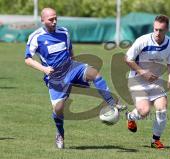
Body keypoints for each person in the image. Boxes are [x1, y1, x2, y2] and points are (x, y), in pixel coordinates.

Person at [24, 7, 125, 149]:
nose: (54, 21)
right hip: (55, 77)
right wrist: (44, 69)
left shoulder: (64, 32)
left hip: (71, 67)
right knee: (58, 109)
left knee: (95, 73)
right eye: (50, 19)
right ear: (42, 20)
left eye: (55, 18)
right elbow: (28, 59)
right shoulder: (36, 37)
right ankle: (60, 133)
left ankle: (112, 102)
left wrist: (76, 70)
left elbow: (70, 50)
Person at [125, 15, 170, 149]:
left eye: (161, 30)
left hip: (156, 82)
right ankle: (130, 117)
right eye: (156, 29)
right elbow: (127, 59)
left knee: (162, 109)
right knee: (144, 112)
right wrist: (142, 71)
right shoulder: (142, 41)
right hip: (137, 80)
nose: (158, 33)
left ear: (167, 30)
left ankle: (155, 140)